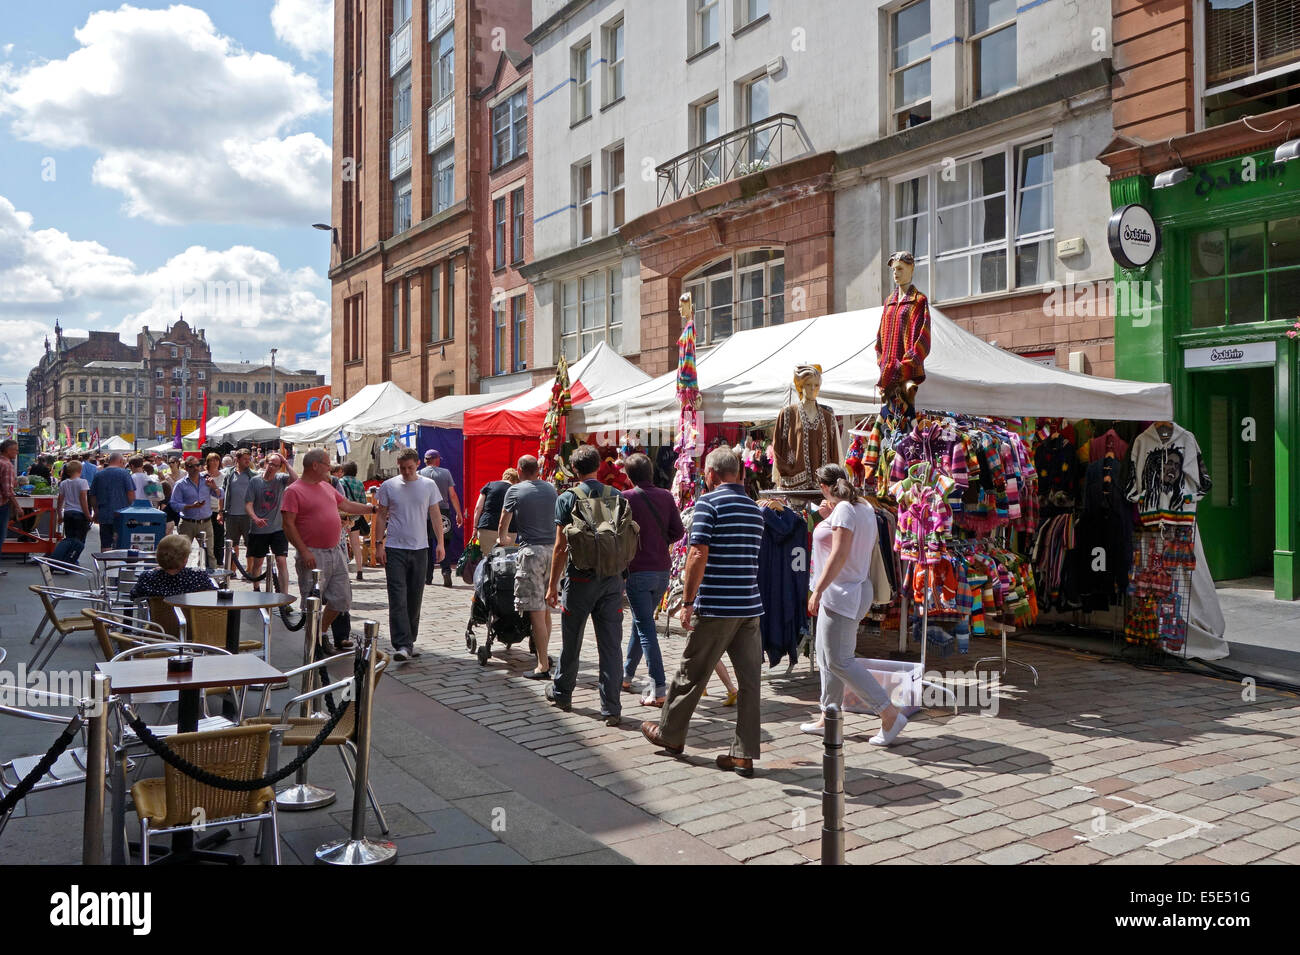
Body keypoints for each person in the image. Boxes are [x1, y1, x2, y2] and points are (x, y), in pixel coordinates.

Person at [641, 447, 764, 778]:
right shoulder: (755, 508)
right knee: (751, 682)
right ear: (738, 473)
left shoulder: (709, 504)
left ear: (711, 475)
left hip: (717, 605)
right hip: (749, 606)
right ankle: (743, 754)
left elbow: (697, 553)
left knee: (690, 672)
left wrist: (688, 600)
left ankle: (670, 734)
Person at [799, 464, 908, 746]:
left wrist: (818, 590)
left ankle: (889, 713)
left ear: (824, 487)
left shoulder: (846, 509)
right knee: (825, 657)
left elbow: (839, 553)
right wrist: (827, 515)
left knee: (839, 660)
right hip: (847, 591)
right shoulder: (862, 507)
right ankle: (828, 715)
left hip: (841, 592)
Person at [544, 444, 631, 726]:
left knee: (572, 640)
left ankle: (563, 692)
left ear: (574, 469)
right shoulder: (616, 495)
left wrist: (553, 585)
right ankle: (612, 708)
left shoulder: (567, 498)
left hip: (579, 579)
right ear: (597, 466)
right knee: (611, 646)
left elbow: (560, 547)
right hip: (611, 579)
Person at [281, 448, 378, 646]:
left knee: (342, 599)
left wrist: (373, 509)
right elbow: (288, 524)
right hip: (313, 553)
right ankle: (314, 643)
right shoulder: (294, 490)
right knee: (312, 601)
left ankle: (321, 631)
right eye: (327, 464)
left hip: (335, 551)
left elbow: (347, 505)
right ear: (315, 465)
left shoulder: (326, 486)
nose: (330, 468)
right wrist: (304, 550)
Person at [620, 452, 684, 707]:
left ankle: (658, 687)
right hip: (661, 572)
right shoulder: (666, 496)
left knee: (646, 629)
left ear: (628, 476)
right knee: (641, 621)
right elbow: (678, 532)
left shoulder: (625, 499)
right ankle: (625, 676)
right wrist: (659, 543)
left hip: (637, 571)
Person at [372, 448, 445, 661]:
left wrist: (440, 543)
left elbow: (435, 515)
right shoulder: (389, 486)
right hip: (395, 548)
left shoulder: (428, 485)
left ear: (417, 465)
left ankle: (409, 641)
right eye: (402, 468)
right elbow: (381, 516)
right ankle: (402, 644)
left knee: (415, 597)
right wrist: (379, 544)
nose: (405, 471)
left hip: (420, 548)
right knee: (397, 596)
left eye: (410, 468)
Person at [499, 455, 556, 679]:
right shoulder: (551, 489)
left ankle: (542, 665)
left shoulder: (514, 490)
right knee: (546, 608)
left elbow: (505, 517)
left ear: (520, 470)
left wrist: (502, 539)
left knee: (536, 611)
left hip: (532, 552)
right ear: (538, 470)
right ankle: (543, 653)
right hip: (552, 551)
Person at [245, 452, 297, 595]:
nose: (271, 467)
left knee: (281, 560)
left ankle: (283, 596)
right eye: (270, 463)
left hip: (278, 528)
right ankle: (256, 588)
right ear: (265, 463)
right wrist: (255, 518)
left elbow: (295, 479)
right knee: (258, 562)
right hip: (259, 529)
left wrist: (286, 463)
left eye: (275, 465)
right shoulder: (255, 481)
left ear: (279, 467)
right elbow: (248, 504)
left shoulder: (280, 479)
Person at [419, 449, 463, 587]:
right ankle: (446, 571)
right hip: (442, 511)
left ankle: (428, 576)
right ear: (437, 459)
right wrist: (459, 513)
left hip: (425, 512)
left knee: (426, 545)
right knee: (444, 544)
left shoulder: (419, 474)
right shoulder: (445, 473)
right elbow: (453, 495)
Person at [129, 534, 217, 601]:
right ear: (185, 559)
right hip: (191, 623)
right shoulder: (197, 576)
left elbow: (133, 596)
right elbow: (215, 597)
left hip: (157, 623)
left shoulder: (148, 577)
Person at [170, 457, 222, 567]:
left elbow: (221, 495)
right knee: (182, 553)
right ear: (186, 468)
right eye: (191, 466)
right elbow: (174, 505)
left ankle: (209, 581)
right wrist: (190, 506)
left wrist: (214, 487)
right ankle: (180, 579)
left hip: (206, 523)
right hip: (187, 523)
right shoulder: (180, 484)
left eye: (197, 465)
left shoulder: (207, 481)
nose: (195, 468)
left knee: (209, 554)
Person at [88, 452, 136, 551]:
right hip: (122, 515)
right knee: (121, 542)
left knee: (105, 543)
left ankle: (107, 565)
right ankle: (118, 565)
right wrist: (132, 510)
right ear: (120, 461)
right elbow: (131, 494)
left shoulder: (99, 475)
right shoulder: (125, 474)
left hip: (104, 514)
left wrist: (96, 511)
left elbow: (92, 495)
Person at [221, 448, 257, 571]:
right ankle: (233, 569)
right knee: (232, 544)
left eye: (249, 459)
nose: (248, 461)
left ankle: (249, 569)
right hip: (231, 514)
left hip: (248, 515)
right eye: (245, 459)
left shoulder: (253, 475)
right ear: (237, 459)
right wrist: (221, 512)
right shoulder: (229, 474)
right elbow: (223, 492)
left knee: (250, 544)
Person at [52, 459, 91, 565]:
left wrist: (59, 514)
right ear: (80, 470)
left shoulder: (64, 483)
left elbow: (60, 500)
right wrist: (88, 515)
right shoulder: (83, 482)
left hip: (68, 513)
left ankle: (65, 559)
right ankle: (72, 560)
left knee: (69, 539)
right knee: (80, 541)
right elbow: (83, 500)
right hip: (80, 514)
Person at [473, 468, 519, 552]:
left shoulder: (489, 485)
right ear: (516, 480)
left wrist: (475, 527)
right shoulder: (516, 490)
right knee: (505, 560)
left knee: (488, 559)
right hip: (509, 530)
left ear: (504, 476)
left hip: (487, 527)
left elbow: (478, 508)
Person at [338, 461, 369, 582]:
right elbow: (363, 502)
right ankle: (359, 570)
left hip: (342, 517)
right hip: (355, 517)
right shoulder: (359, 483)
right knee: (356, 544)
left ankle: (344, 571)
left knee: (342, 544)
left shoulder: (340, 482)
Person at [0, 439, 22, 574]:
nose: (17, 452)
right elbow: (7, 490)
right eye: (15, 449)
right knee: (0, 535)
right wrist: (17, 507)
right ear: (8, 450)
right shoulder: (7, 465)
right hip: (1, 504)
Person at [204, 452, 227, 561]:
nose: (214, 462)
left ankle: (218, 560)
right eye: (211, 460)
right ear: (208, 462)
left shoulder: (223, 476)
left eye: (216, 460)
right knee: (206, 537)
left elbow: (223, 495)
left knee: (218, 536)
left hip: (217, 509)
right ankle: (207, 560)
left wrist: (220, 511)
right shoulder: (203, 475)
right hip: (205, 510)